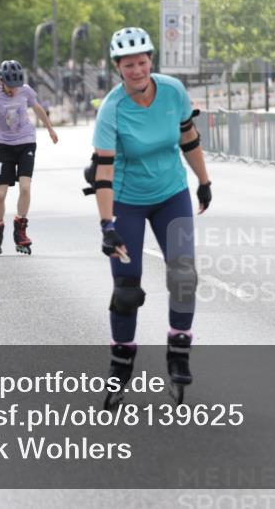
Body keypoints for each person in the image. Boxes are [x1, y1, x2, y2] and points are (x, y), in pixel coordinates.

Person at [87, 26, 212, 408]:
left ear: (150, 61)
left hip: (171, 193)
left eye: (142, 62)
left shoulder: (173, 91)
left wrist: (203, 181)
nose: (137, 70)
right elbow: (102, 173)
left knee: (184, 274)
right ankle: (121, 364)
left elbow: (188, 136)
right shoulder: (112, 109)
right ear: (117, 68)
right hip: (126, 199)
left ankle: (178, 351)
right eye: (129, 65)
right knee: (126, 290)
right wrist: (107, 225)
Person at [0, 60, 58, 257]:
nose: (14, 90)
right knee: (0, 194)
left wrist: (49, 128)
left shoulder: (26, 90)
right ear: (1, 81)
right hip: (4, 147)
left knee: (25, 187)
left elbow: (37, 107)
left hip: (26, 143)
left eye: (17, 86)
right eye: (10, 86)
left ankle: (20, 229)